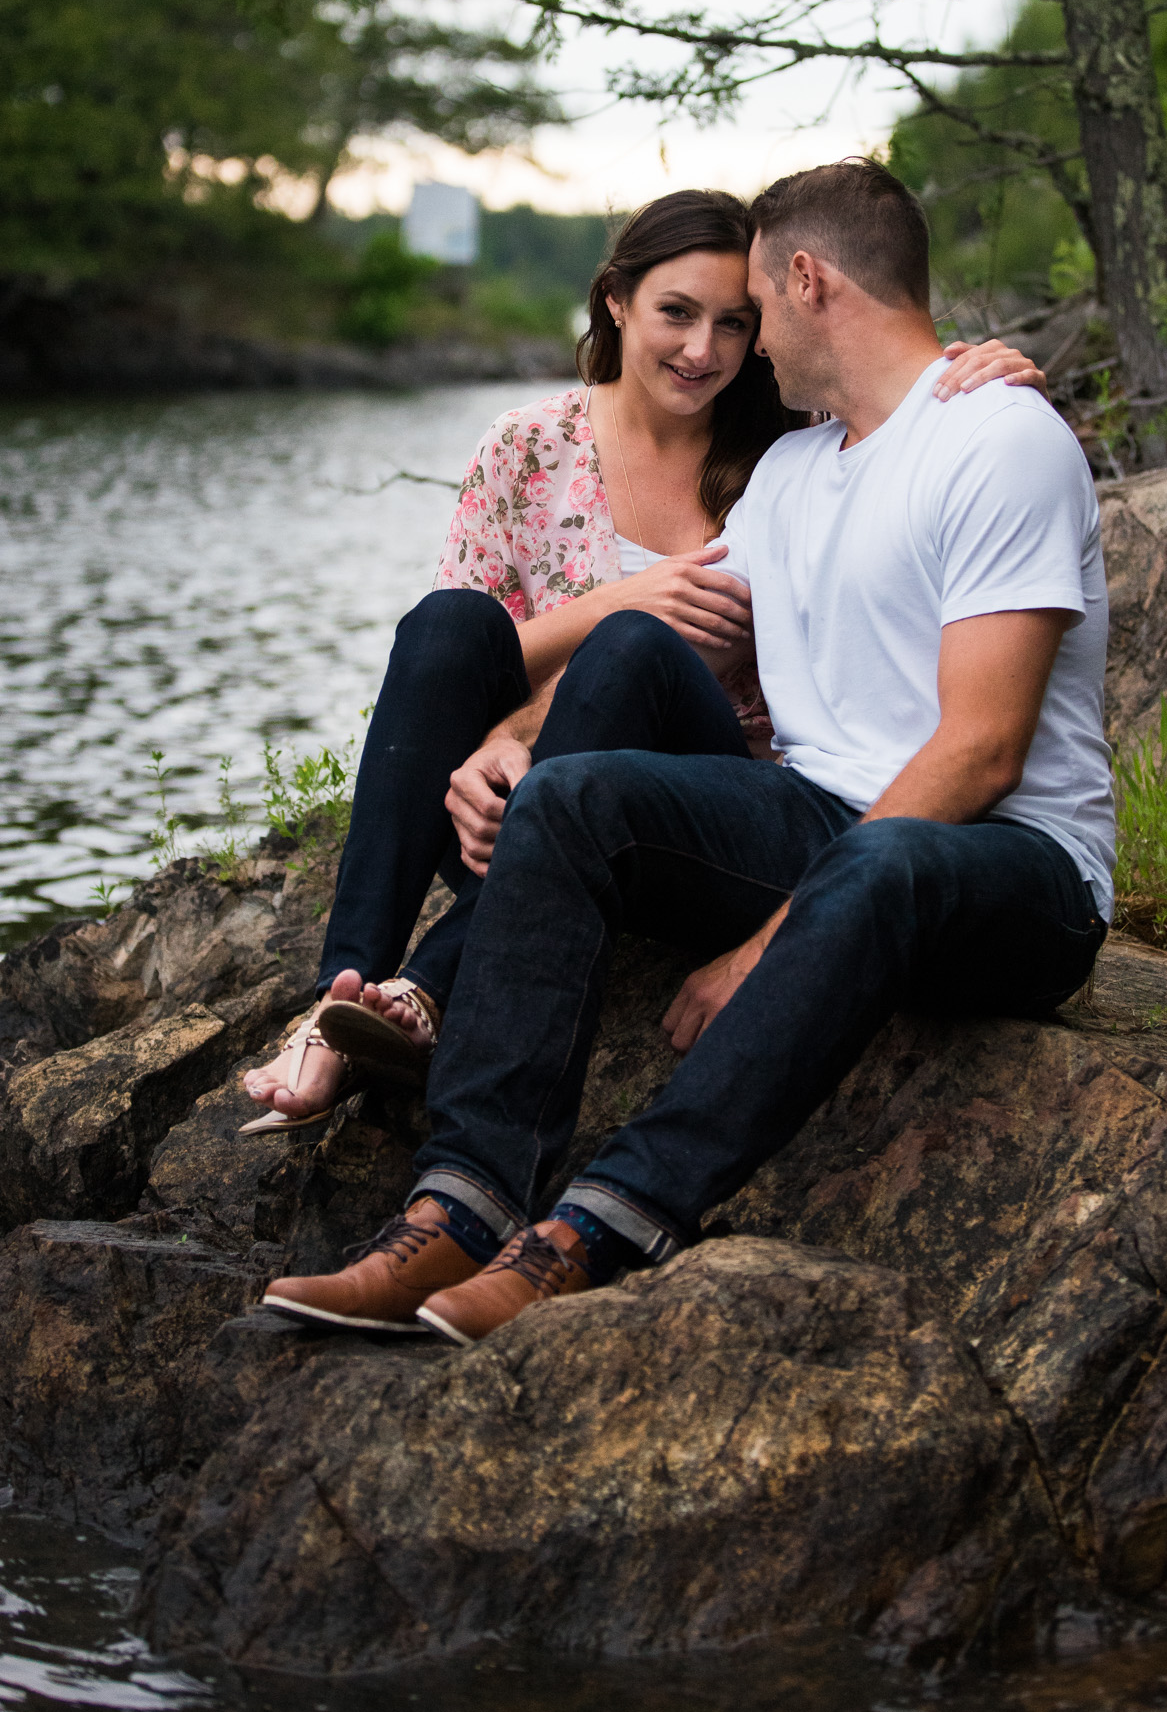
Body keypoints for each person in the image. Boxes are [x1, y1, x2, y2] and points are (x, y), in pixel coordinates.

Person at [260, 158, 1115, 1341]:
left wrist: (767, 941)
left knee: (874, 868)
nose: (743, 342)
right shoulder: (793, 471)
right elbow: (648, 650)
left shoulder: (998, 443)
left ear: (805, 281)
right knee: (571, 801)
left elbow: (978, 756)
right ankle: (458, 1210)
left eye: (754, 306)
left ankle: (593, 1230)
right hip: (818, 817)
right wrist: (509, 744)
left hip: (1011, 870)